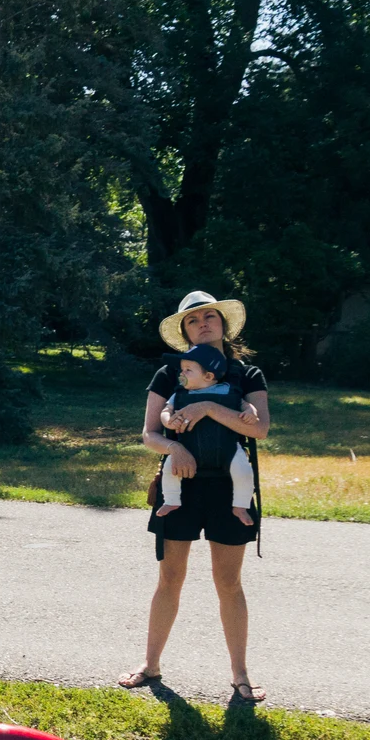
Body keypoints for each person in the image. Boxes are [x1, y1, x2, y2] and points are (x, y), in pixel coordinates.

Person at [119, 290, 272, 703]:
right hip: (179, 486)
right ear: (185, 331)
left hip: (230, 488)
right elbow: (151, 433)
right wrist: (176, 448)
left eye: (209, 317)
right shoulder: (170, 374)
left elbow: (259, 429)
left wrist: (206, 409)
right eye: (193, 320)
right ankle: (150, 665)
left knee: (229, 582)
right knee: (170, 578)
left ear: (223, 324)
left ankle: (240, 675)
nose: (202, 323)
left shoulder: (247, 375)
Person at [155, 343, 255, 525]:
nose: (181, 374)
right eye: (182, 369)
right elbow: (166, 410)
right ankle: (171, 500)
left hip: (228, 449)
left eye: (188, 370)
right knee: (170, 468)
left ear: (208, 376)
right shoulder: (179, 394)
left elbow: (245, 405)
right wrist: (168, 420)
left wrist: (250, 412)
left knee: (244, 472)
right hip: (187, 449)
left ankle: (240, 506)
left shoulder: (228, 390)